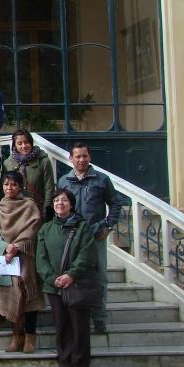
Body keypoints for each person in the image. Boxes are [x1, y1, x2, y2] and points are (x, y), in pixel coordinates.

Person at [57, 142, 123, 334]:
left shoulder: (101, 180)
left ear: (89, 157)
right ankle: (75, 318)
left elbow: (116, 203)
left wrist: (109, 226)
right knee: (73, 276)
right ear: (70, 158)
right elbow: (59, 207)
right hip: (71, 236)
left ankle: (100, 318)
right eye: (77, 156)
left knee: (100, 278)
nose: (81, 160)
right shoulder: (64, 181)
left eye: (84, 156)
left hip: (95, 235)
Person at [36, 188, 97, 367]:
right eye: (56, 201)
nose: (59, 204)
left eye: (63, 200)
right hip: (54, 286)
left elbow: (87, 254)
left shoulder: (82, 227)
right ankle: (64, 366)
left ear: (71, 204)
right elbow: (41, 257)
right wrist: (52, 277)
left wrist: (71, 275)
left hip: (76, 284)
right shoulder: (46, 228)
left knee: (79, 328)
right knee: (61, 326)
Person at [0, 171, 45, 353]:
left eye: (13, 184)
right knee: (12, 297)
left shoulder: (29, 205)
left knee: (29, 294)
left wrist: (17, 246)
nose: (9, 188)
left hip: (25, 256)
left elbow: (33, 227)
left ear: (20, 186)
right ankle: (16, 336)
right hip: (6, 259)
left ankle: (30, 336)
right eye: (6, 184)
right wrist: (6, 247)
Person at [0, 129, 55, 218]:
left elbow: (49, 188)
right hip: (14, 211)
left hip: (36, 211)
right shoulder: (8, 163)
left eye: (26, 142)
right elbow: (3, 189)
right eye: (19, 143)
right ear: (14, 145)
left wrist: (46, 210)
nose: (24, 146)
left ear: (31, 143)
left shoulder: (43, 161)